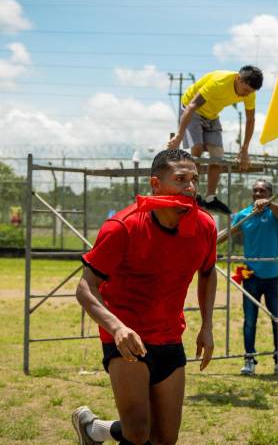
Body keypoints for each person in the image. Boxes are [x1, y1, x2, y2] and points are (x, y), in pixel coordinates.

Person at [71, 149, 218, 445]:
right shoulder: (123, 227)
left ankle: (94, 429)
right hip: (127, 339)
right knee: (138, 433)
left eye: (194, 180)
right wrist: (117, 328)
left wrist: (207, 325)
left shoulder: (204, 226)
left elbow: (207, 272)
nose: (190, 187)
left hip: (169, 337)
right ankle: (98, 428)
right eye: (180, 179)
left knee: (164, 438)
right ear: (155, 184)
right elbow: (85, 287)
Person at [166, 66, 263, 215]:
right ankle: (193, 193)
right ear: (238, 78)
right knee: (196, 149)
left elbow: (250, 120)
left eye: (250, 92)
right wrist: (179, 135)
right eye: (245, 90)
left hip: (212, 115)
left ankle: (210, 198)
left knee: (217, 155)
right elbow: (191, 106)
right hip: (192, 110)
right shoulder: (218, 83)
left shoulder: (249, 93)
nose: (246, 94)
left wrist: (244, 149)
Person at [231, 179, 278, 377]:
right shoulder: (243, 215)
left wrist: (269, 204)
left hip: (274, 277)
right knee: (250, 321)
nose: (258, 194)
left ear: (269, 193)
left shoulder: (274, 213)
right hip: (251, 277)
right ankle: (249, 360)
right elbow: (230, 232)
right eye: (255, 191)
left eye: (262, 190)